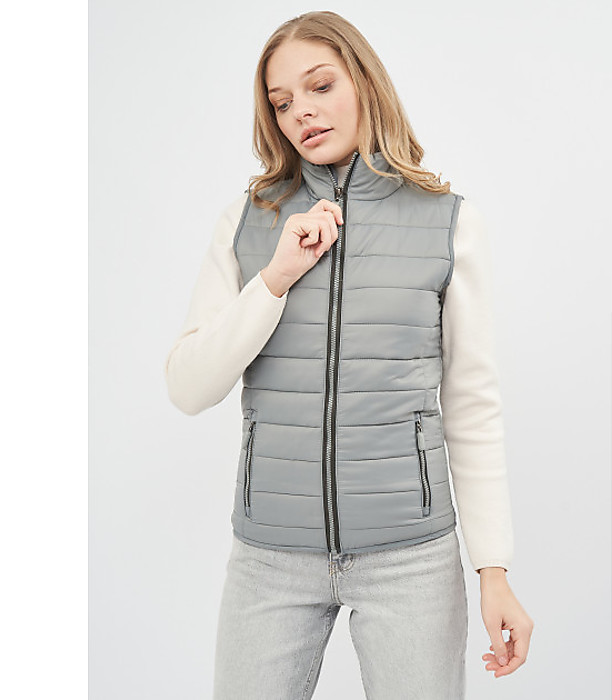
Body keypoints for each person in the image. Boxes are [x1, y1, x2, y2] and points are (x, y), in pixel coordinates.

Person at [164, 10, 533, 700]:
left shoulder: (449, 223)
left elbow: (472, 406)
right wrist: (274, 279)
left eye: (320, 85)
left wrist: (494, 570)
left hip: (410, 560)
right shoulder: (248, 221)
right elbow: (188, 387)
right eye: (282, 103)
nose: (301, 112)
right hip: (269, 559)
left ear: (364, 82)